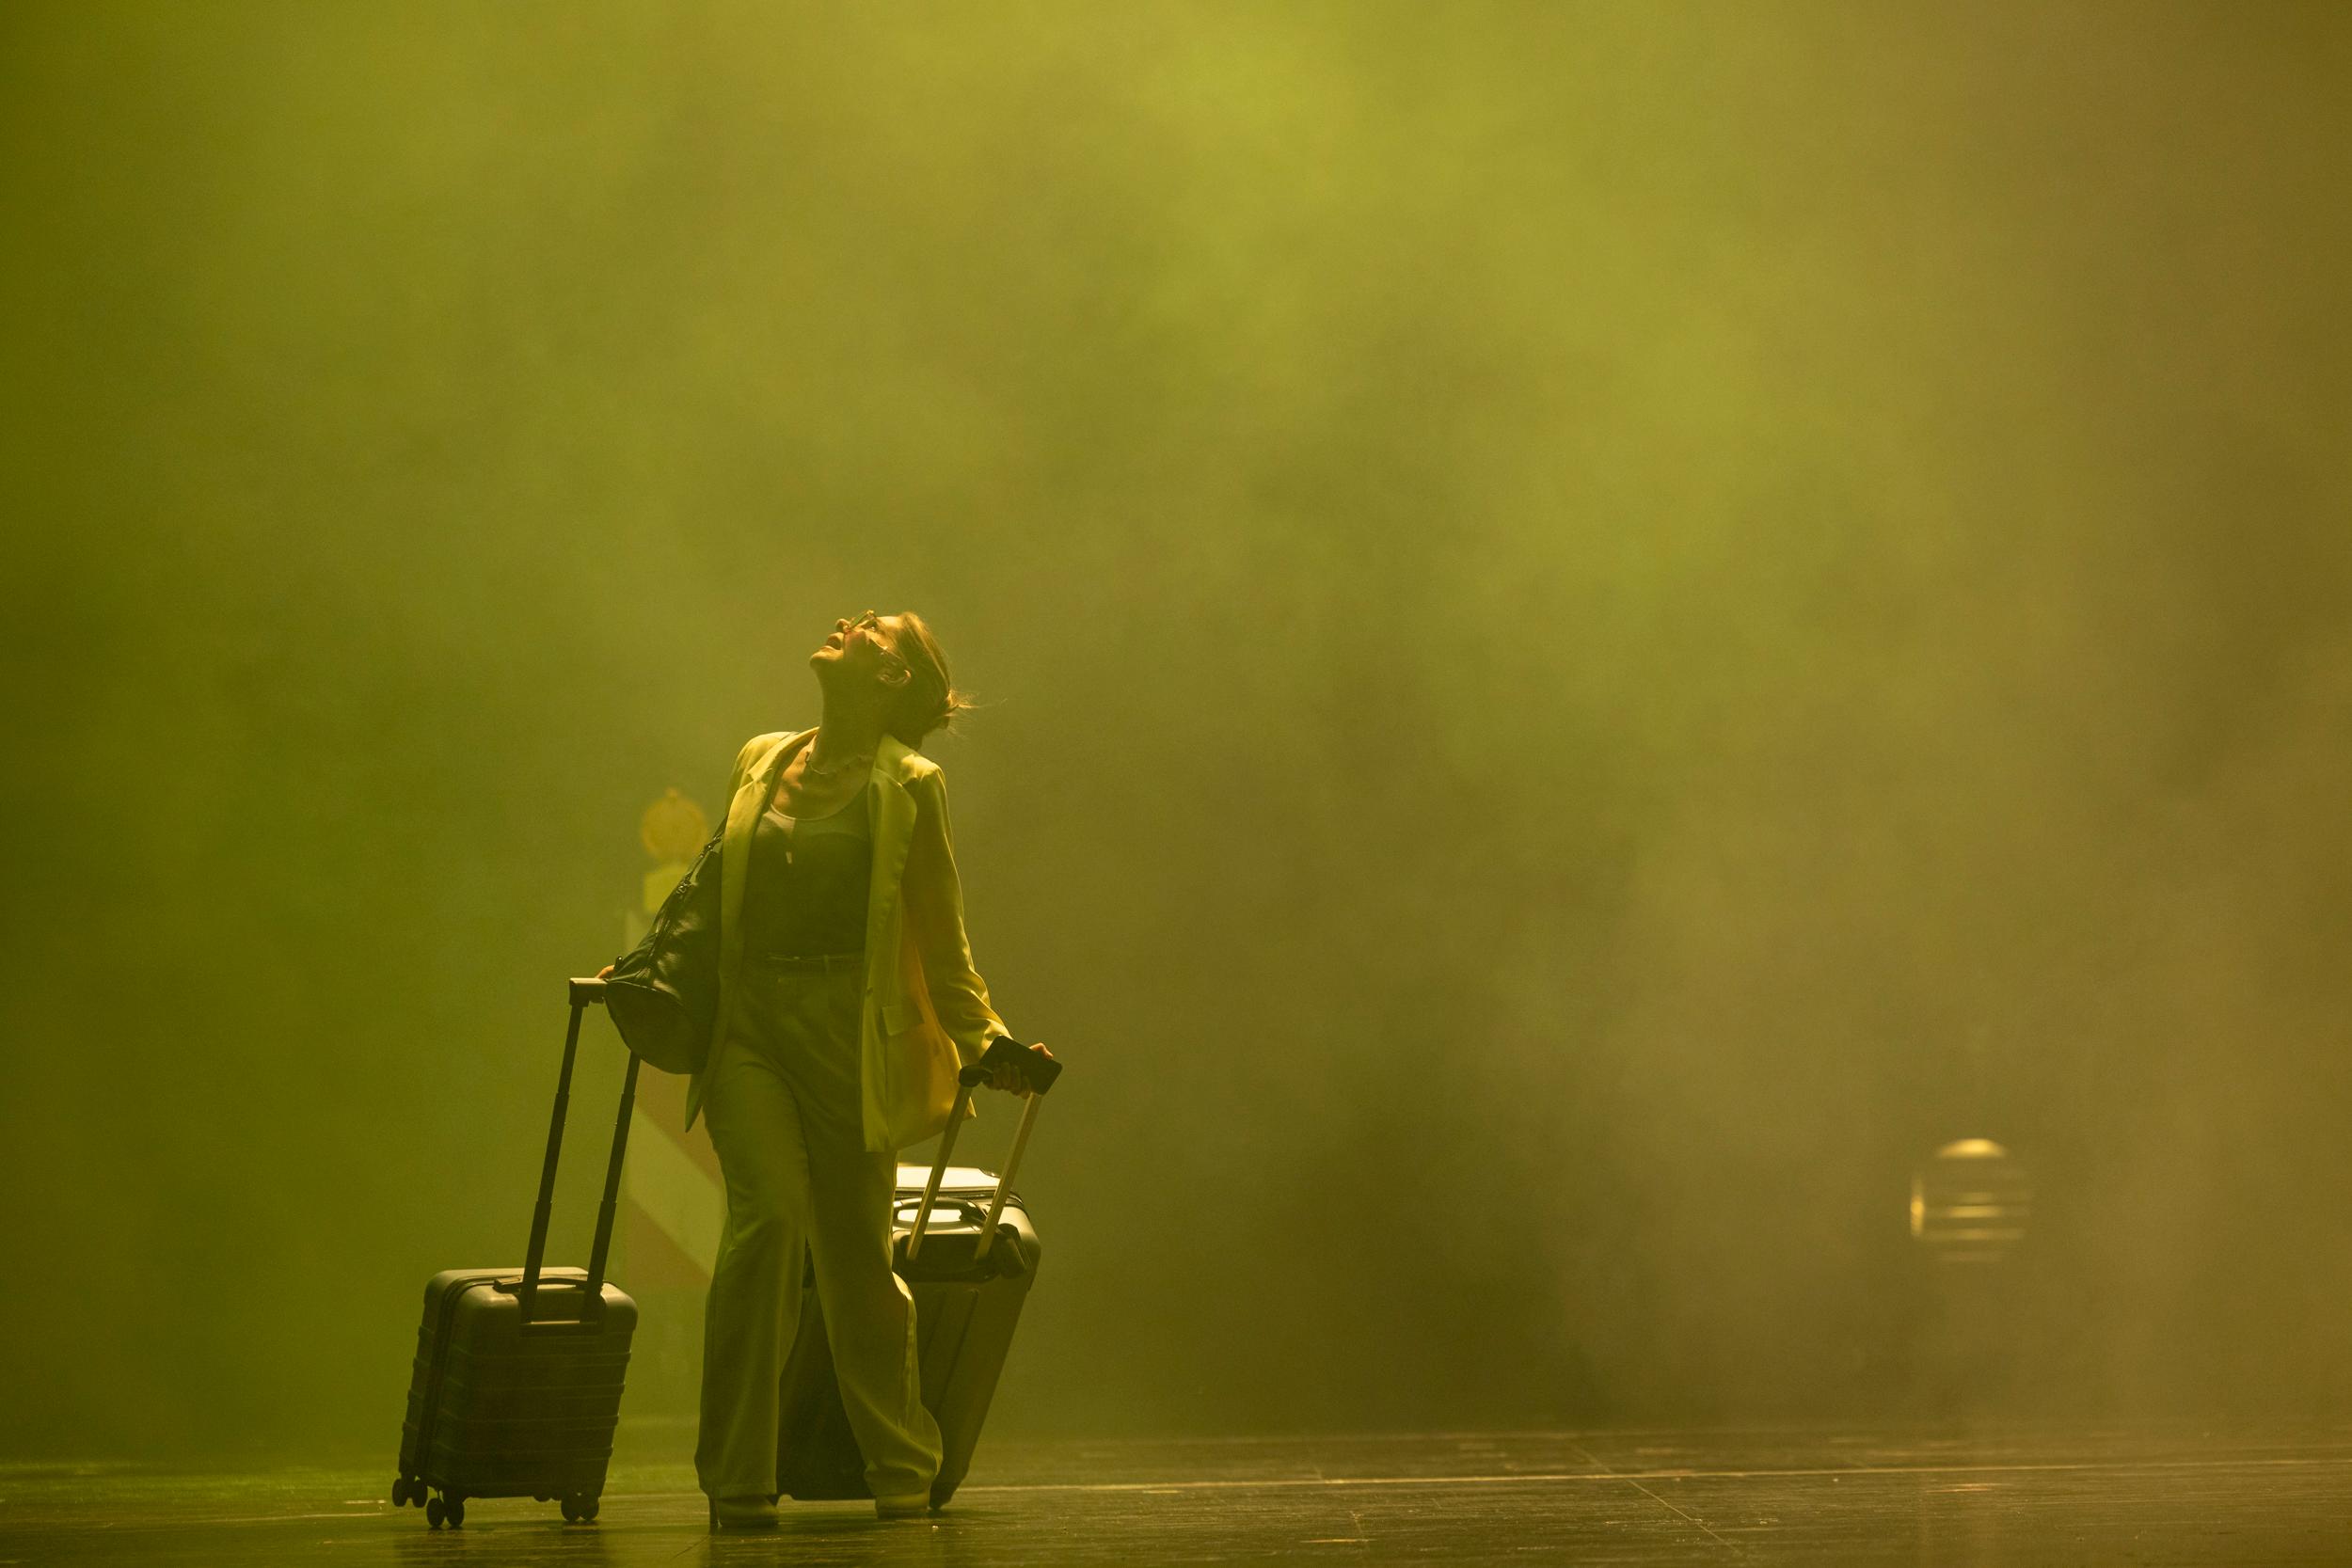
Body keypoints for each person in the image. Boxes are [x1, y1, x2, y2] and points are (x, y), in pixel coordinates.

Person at [603, 610, 1048, 1530]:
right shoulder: (760, 758)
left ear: (895, 680)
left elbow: (942, 940)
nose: (845, 623)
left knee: (854, 1255)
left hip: (852, 1036)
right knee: (764, 1221)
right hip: (750, 1029)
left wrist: (987, 1040)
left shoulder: (910, 787)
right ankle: (737, 1475)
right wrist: (653, 970)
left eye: (873, 627)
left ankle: (901, 1466)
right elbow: (713, 895)